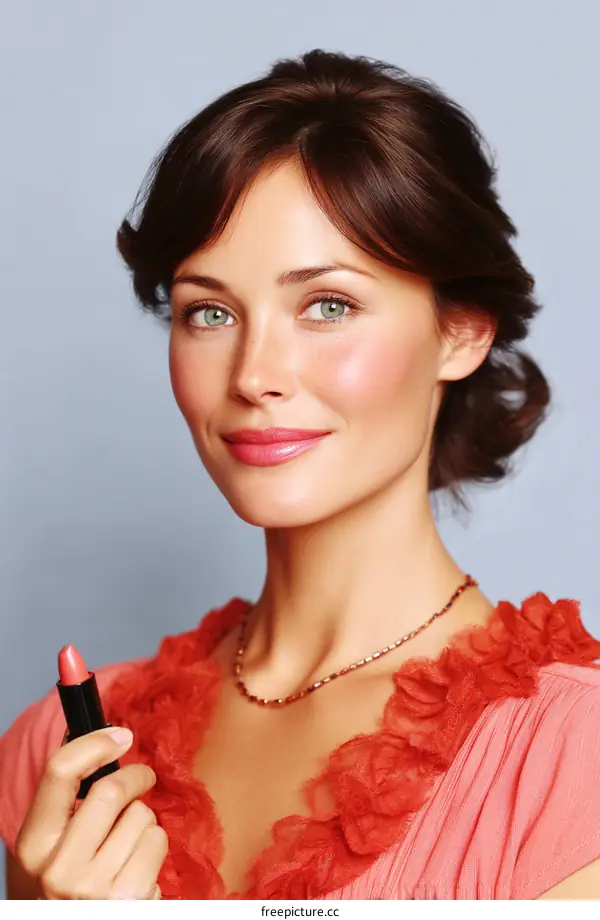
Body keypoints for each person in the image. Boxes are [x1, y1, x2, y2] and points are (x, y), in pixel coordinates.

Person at [2, 48, 600, 901]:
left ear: (461, 331)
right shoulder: (60, 755)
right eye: (209, 312)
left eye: (327, 305)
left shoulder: (574, 769)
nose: (253, 374)